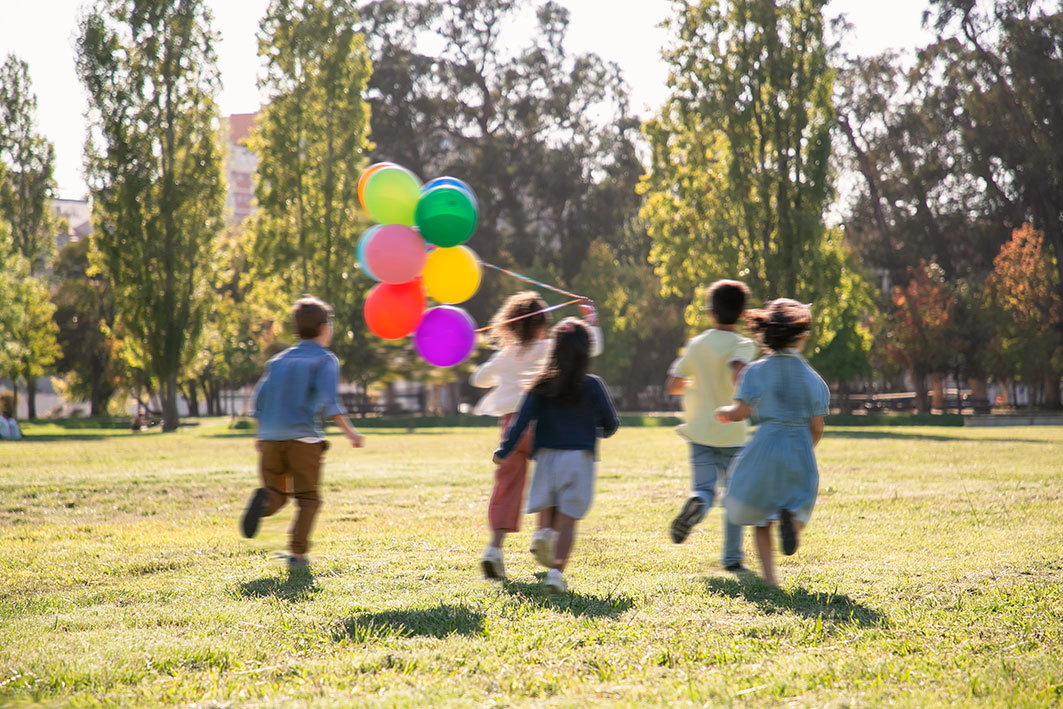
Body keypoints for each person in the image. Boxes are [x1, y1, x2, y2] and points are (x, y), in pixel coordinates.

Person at [471, 292, 601, 580]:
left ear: (511, 325)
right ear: (544, 324)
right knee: (552, 482)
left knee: (506, 487)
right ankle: (544, 533)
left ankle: (494, 549)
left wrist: (503, 367)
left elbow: (478, 379)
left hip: (510, 429)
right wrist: (590, 318)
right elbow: (591, 347)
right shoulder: (549, 348)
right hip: (543, 427)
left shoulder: (505, 355)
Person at [493, 318, 619, 593]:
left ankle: (544, 534)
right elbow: (611, 425)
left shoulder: (540, 385)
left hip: (547, 457)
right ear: (585, 353)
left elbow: (520, 422)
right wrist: (592, 431)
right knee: (569, 519)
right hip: (579, 459)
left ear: (553, 350)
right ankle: (555, 573)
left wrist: (504, 451)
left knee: (550, 506)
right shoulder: (594, 385)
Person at [240, 296, 365, 569]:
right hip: (303, 439)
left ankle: (264, 502)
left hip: (271, 439)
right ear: (323, 327)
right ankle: (297, 555)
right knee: (308, 498)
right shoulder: (324, 360)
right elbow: (331, 403)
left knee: (277, 493)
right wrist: (351, 434)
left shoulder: (278, 360)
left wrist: (260, 436)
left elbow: (258, 401)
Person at [716, 299, 829, 587]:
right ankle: (790, 521)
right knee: (794, 504)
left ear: (766, 333)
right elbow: (817, 426)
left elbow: (741, 412)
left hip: (765, 446)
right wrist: (805, 447)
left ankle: (770, 580)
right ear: (801, 336)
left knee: (760, 516)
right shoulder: (813, 379)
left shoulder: (754, 371)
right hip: (799, 447)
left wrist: (725, 413)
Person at [665, 280, 755, 571]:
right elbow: (739, 371)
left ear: (710, 312)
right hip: (732, 432)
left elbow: (673, 385)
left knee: (704, 490)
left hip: (699, 432)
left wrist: (695, 382)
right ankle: (731, 558)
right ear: (743, 315)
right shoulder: (744, 344)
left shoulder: (697, 344)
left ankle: (696, 502)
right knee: (734, 497)